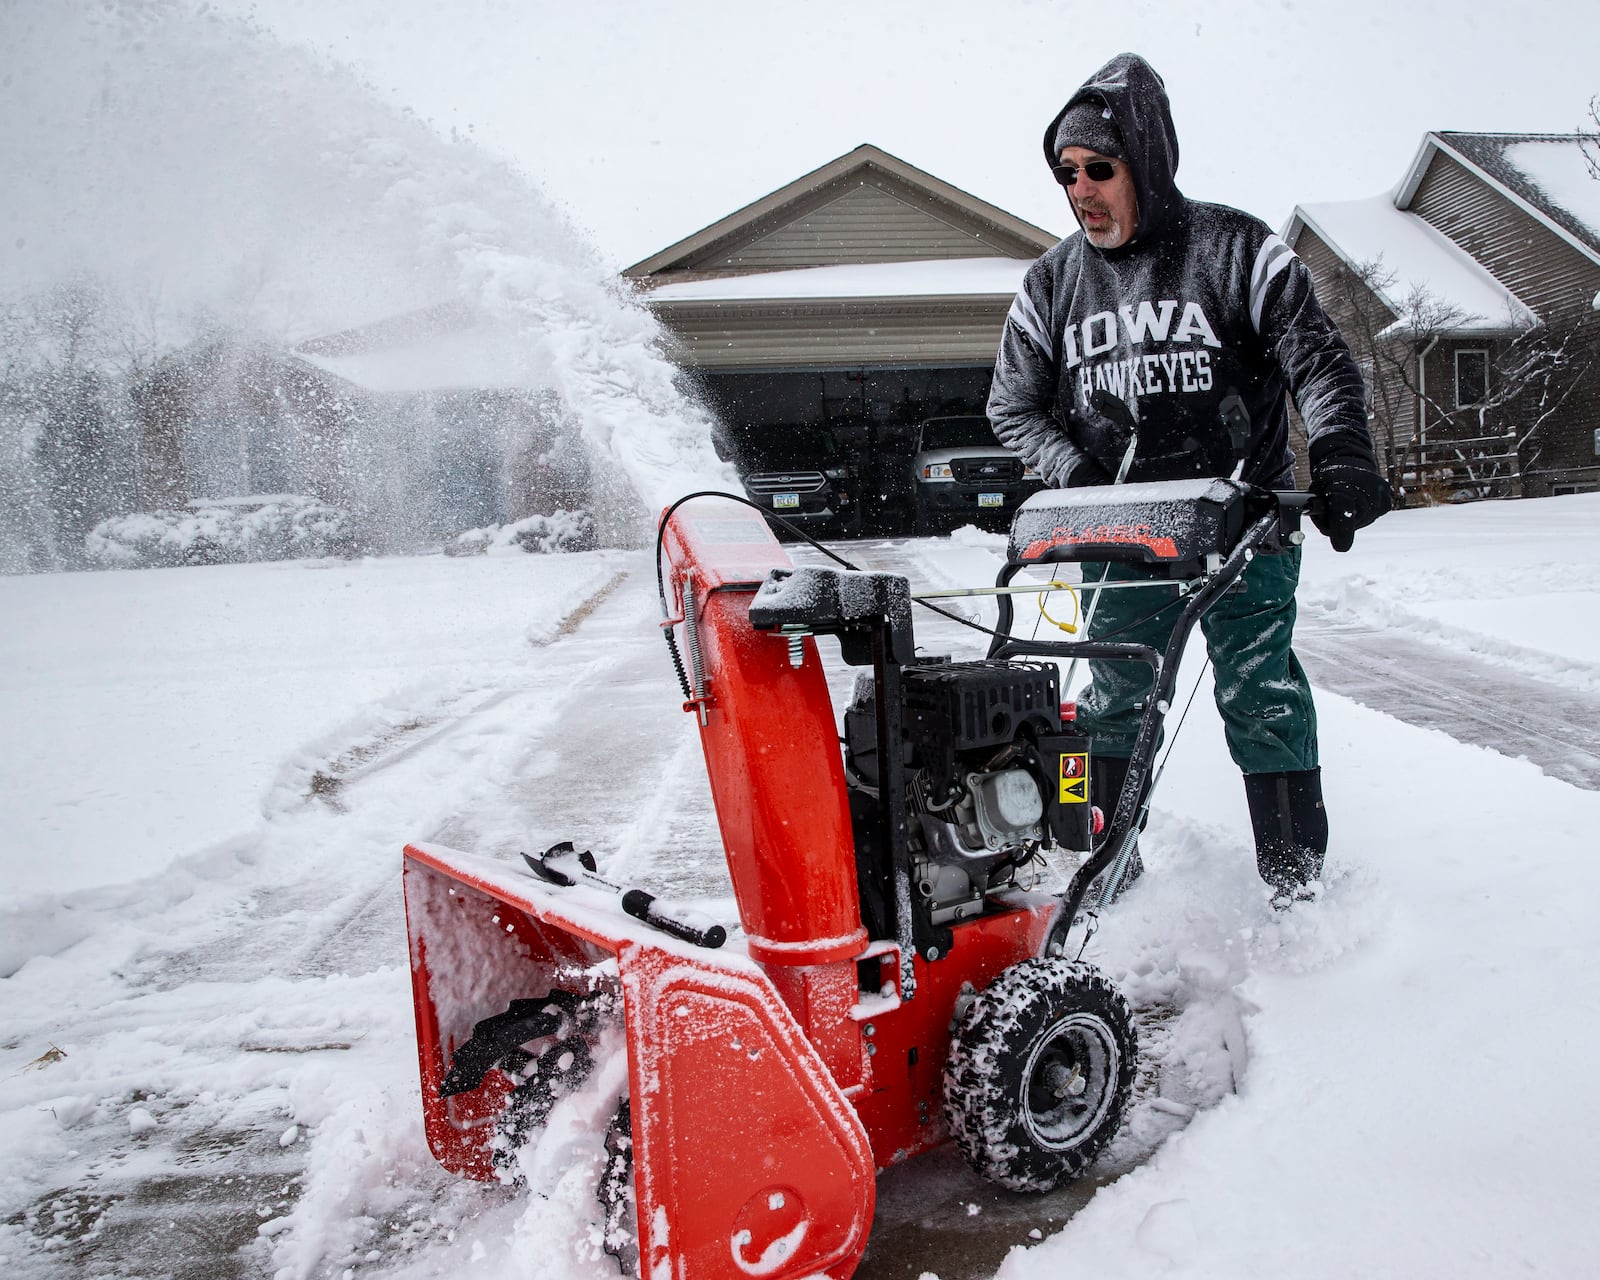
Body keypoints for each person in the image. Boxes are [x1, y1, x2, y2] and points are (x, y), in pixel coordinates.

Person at [987, 52, 1391, 903]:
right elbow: (1011, 408)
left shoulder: (1239, 251)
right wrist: (1078, 471)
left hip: (1244, 527)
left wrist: (1344, 453)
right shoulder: (1052, 282)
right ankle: (1107, 885)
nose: (1083, 191)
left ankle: (1296, 891)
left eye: (1102, 169)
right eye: (1069, 174)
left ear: (1148, 159)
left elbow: (1316, 361)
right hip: (1124, 535)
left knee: (1262, 694)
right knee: (1106, 709)